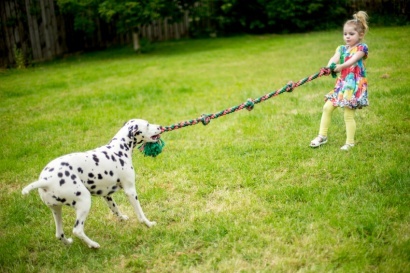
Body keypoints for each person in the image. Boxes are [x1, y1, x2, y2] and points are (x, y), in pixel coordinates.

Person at [310, 11, 369, 151]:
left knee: (348, 114)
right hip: (341, 85)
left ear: (360, 35)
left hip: (353, 86)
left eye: (351, 34)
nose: (347, 37)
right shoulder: (341, 48)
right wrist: (328, 67)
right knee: (327, 107)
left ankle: (350, 142)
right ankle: (322, 136)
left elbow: (352, 61)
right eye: (345, 34)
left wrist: (340, 67)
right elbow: (334, 58)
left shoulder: (362, 48)